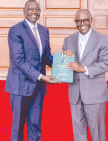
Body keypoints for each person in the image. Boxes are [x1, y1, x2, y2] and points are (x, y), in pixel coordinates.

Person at [4, 0, 67, 140]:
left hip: (38, 87)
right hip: (20, 85)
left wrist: (64, 63)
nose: (34, 12)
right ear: (24, 11)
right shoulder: (16, 30)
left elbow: (46, 56)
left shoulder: (44, 31)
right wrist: (41, 76)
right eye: (31, 9)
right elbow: (19, 60)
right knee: (18, 126)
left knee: (35, 125)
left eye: (37, 9)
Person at [62, 9, 108, 141]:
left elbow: (105, 64)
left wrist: (82, 68)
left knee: (98, 133)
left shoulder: (102, 39)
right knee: (78, 133)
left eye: (85, 20)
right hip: (75, 94)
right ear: (75, 22)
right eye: (78, 20)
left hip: (94, 93)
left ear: (91, 21)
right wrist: (64, 60)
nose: (82, 23)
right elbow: (64, 66)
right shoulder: (68, 41)